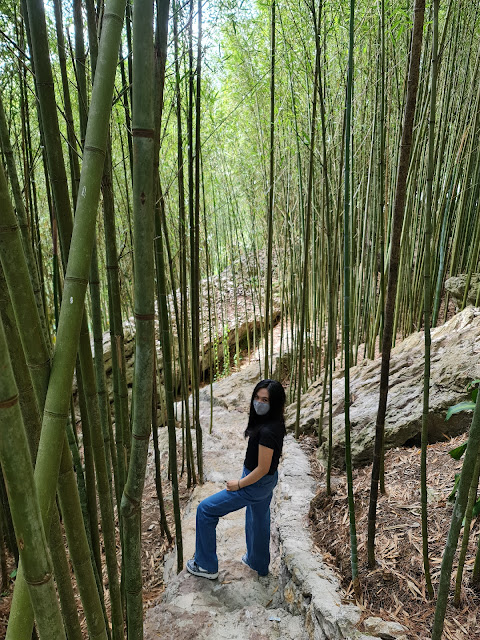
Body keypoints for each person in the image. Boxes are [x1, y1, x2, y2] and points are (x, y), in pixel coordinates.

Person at [186, 379, 287, 580]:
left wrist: (239, 484)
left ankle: (206, 565)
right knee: (258, 518)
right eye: (257, 397)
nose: (259, 402)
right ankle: (258, 564)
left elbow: (262, 468)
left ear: (274, 402)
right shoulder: (274, 423)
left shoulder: (268, 431)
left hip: (254, 482)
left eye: (265, 400)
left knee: (205, 510)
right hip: (266, 482)